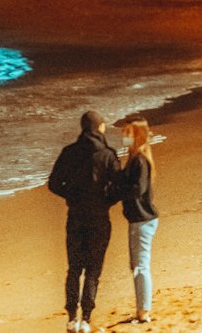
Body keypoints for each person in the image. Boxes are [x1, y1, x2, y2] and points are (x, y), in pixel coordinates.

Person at [48, 109, 120, 333]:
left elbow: (53, 184)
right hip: (99, 216)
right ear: (99, 127)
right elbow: (118, 187)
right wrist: (106, 200)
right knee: (93, 269)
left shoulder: (69, 152)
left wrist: (70, 195)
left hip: (76, 216)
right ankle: (86, 319)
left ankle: (71, 318)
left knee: (74, 268)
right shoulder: (108, 154)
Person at [120, 118, 158, 324]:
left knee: (140, 266)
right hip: (140, 219)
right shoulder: (136, 158)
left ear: (136, 136)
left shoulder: (140, 160)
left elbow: (138, 189)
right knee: (136, 264)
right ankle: (141, 309)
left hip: (142, 219)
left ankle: (143, 311)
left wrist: (117, 191)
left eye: (127, 133)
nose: (124, 137)